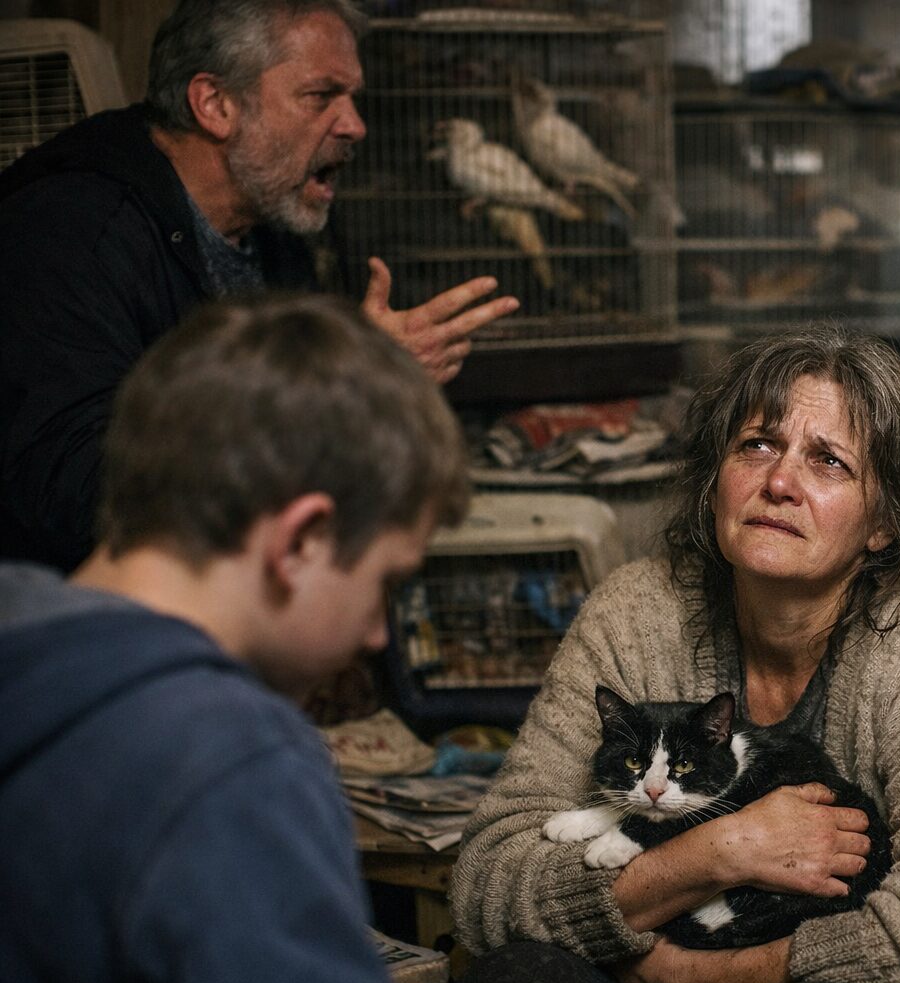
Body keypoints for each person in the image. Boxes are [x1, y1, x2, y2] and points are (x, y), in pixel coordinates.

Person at [448, 327, 900, 983]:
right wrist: (715, 854)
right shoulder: (637, 610)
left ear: (881, 523)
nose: (779, 483)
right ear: (717, 480)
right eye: (756, 445)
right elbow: (491, 879)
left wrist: (695, 978)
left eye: (829, 462)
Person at [0, 294, 482, 983]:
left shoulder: (23, 629)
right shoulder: (236, 762)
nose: (379, 632)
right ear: (303, 541)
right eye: (384, 579)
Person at [0, 0, 520, 573]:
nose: (355, 124)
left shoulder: (277, 231)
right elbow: (81, 496)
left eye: (352, 97)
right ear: (216, 104)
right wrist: (346, 382)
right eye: (321, 96)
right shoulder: (69, 234)